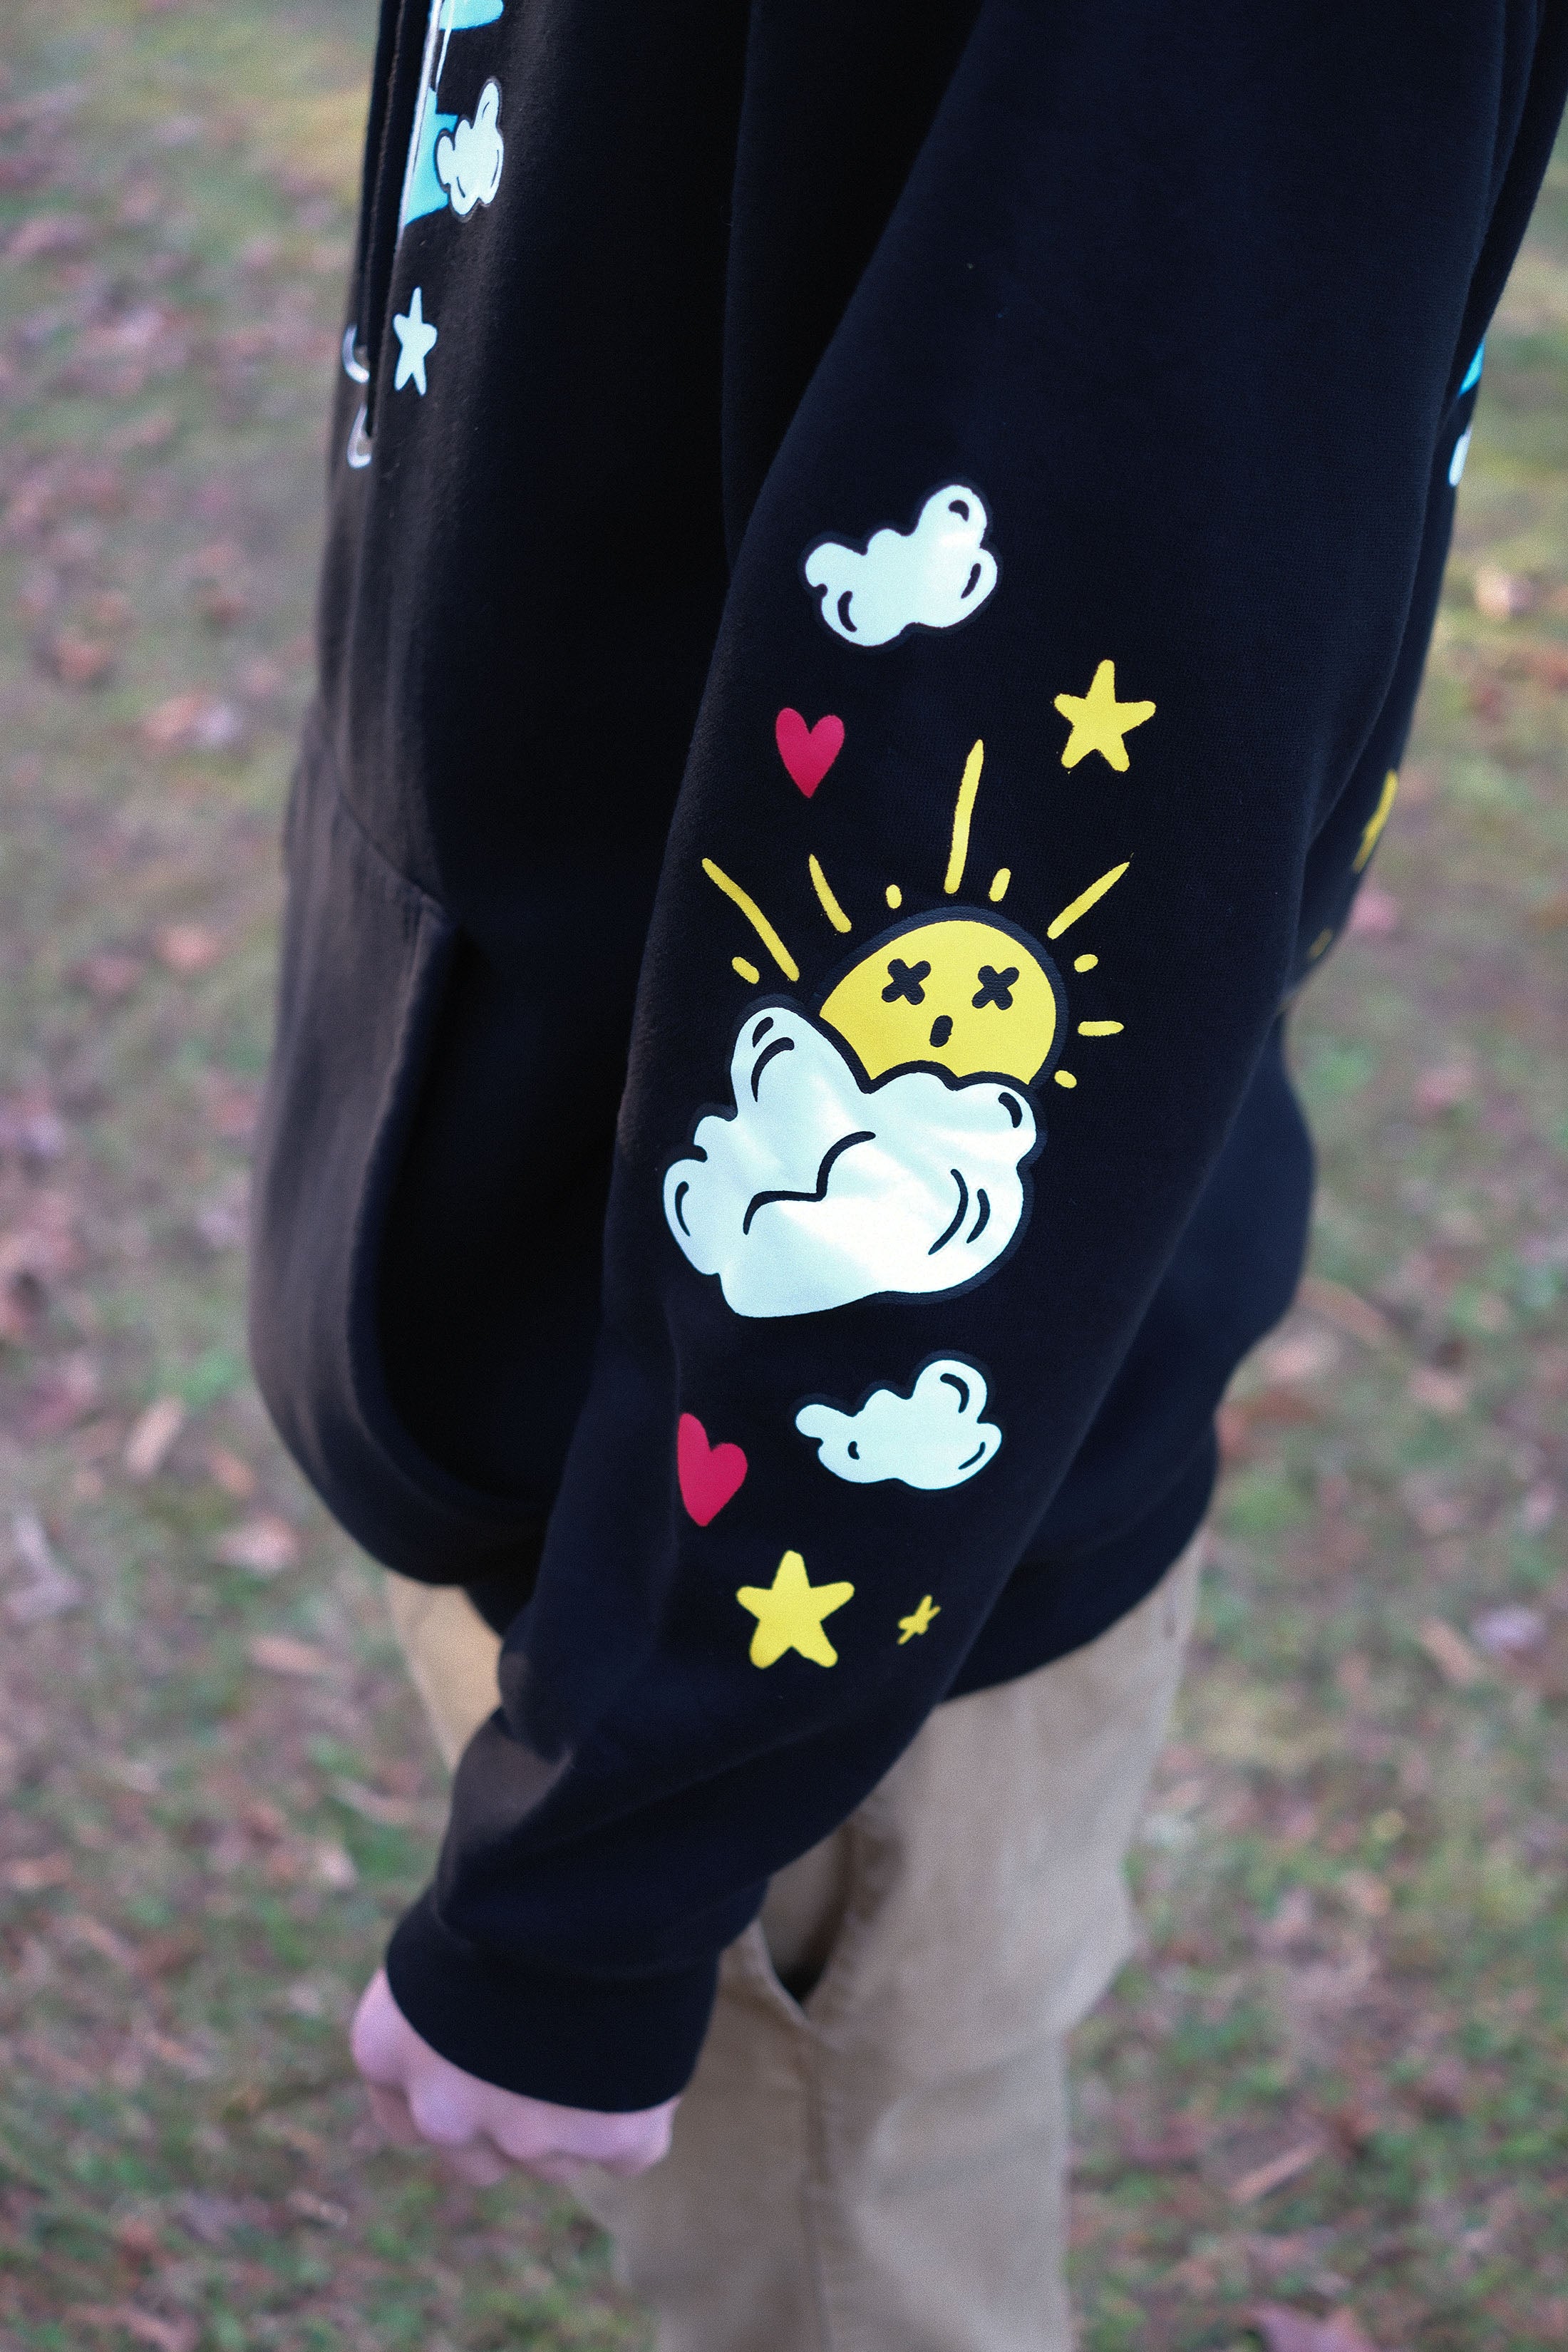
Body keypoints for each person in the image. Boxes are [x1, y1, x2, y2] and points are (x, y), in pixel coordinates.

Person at [249, 4, 1568, 2343]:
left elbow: (1046, 709)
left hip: (817, 1559)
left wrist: (620, 1832)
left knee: (840, 2264)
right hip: (602, 1367)